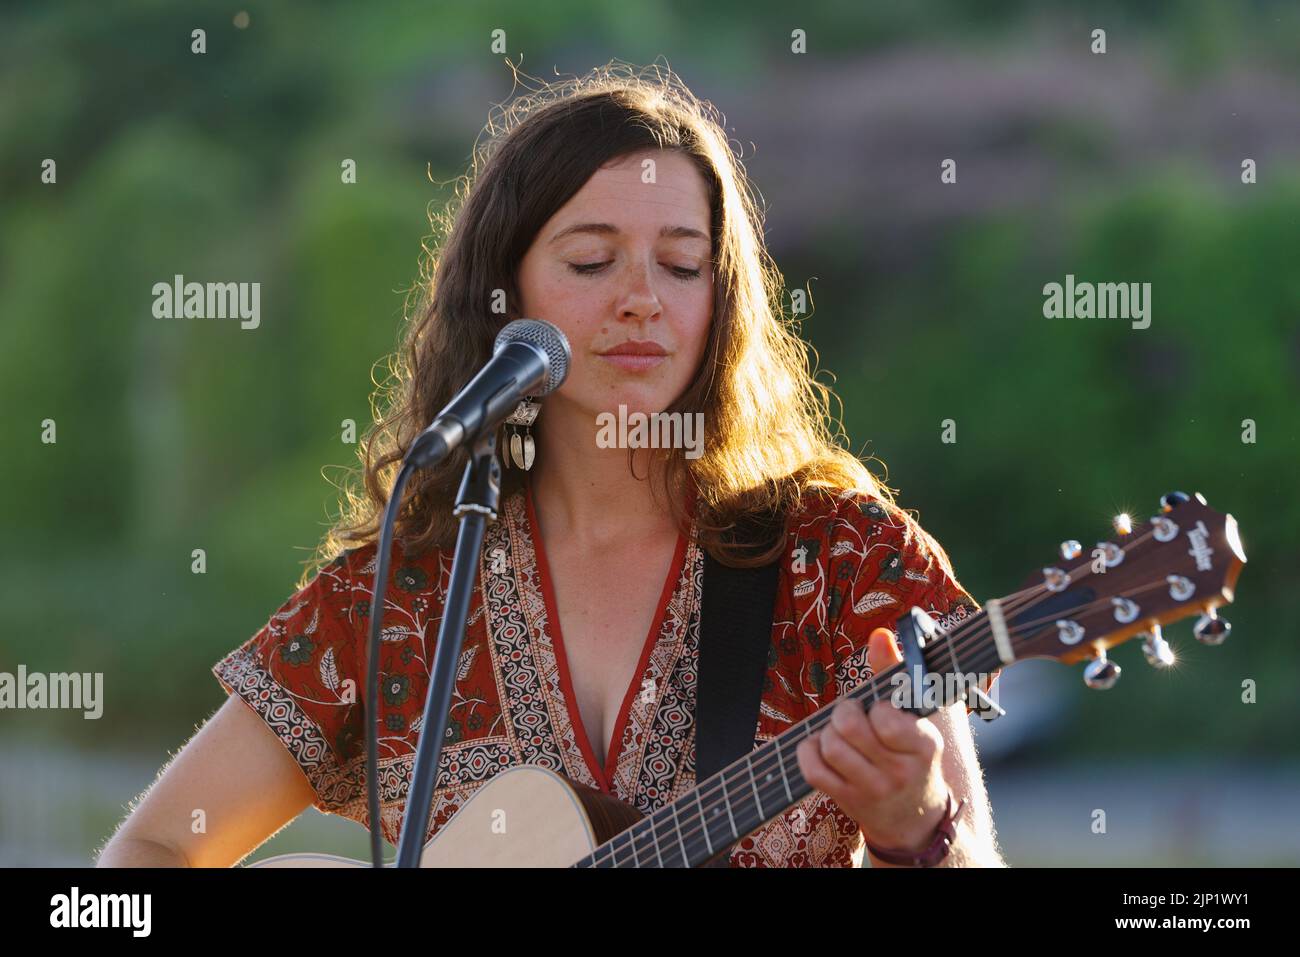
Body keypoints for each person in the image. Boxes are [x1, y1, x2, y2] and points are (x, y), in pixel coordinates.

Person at [97, 63, 1004, 868]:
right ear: (506, 293)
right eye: (592, 259)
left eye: (682, 266)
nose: (642, 300)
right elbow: (151, 847)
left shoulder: (843, 564)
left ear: (720, 304)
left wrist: (913, 830)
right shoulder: (406, 598)